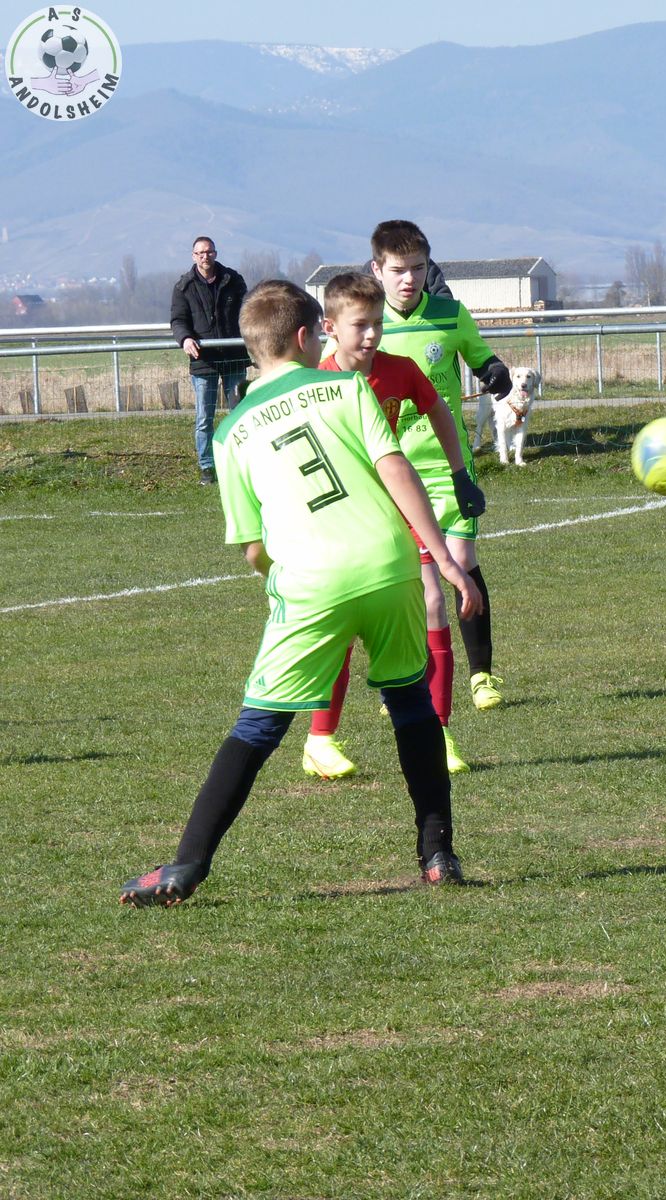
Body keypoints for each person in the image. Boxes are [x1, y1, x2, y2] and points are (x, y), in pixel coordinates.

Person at [119, 280, 483, 906]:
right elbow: (395, 468)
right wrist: (445, 559)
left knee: (258, 725)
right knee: (410, 704)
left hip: (311, 582)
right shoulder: (347, 388)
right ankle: (437, 855)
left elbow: (252, 546)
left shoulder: (230, 433)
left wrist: (279, 579)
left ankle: (185, 866)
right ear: (304, 336)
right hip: (389, 565)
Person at [300, 272, 486, 780]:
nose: (372, 335)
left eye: (378, 324)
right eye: (360, 325)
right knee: (342, 626)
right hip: (341, 521)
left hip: (397, 508)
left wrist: (459, 474)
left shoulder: (400, 370)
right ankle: (320, 739)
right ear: (329, 327)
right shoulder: (314, 383)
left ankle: (440, 732)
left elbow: (439, 412)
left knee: (432, 603)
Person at [368, 219, 512, 715]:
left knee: (462, 563)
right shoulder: (366, 325)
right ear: (377, 271)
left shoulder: (450, 315)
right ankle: (410, 680)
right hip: (389, 472)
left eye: (418, 268)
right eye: (398, 270)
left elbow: (480, 356)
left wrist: (494, 370)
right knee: (408, 580)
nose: (409, 278)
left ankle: (481, 675)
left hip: (448, 466)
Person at [170, 236, 249, 484]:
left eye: (209, 252)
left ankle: (241, 462)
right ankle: (207, 466)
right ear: (194, 256)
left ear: (215, 253)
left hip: (234, 358)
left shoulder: (233, 280)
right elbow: (178, 320)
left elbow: (248, 312)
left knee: (239, 413)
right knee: (204, 418)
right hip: (203, 361)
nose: (205, 256)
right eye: (200, 253)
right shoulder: (184, 287)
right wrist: (185, 339)